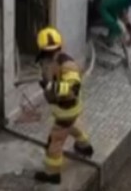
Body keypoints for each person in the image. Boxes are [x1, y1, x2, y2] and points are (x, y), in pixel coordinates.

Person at [34, 27, 94, 184]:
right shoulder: (52, 60)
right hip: (68, 112)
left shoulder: (67, 65)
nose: (46, 57)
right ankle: (85, 146)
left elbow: (73, 89)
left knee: (54, 143)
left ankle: (52, 174)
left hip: (65, 111)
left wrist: (49, 87)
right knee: (74, 126)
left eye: (47, 53)